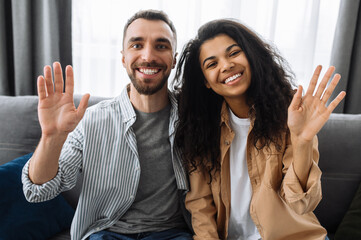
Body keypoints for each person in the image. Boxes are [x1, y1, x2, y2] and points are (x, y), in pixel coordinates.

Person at [22, 10, 193, 240]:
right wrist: (52, 135)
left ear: (174, 59)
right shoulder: (92, 120)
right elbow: (38, 191)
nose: (148, 56)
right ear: (123, 58)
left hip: (171, 234)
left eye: (161, 46)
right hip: (106, 232)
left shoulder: (192, 120)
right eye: (137, 45)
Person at [174, 19, 345, 240]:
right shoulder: (200, 128)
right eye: (212, 64)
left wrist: (302, 141)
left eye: (234, 53)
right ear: (206, 81)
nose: (226, 66)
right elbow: (200, 204)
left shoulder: (291, 112)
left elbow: (302, 203)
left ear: (252, 57)